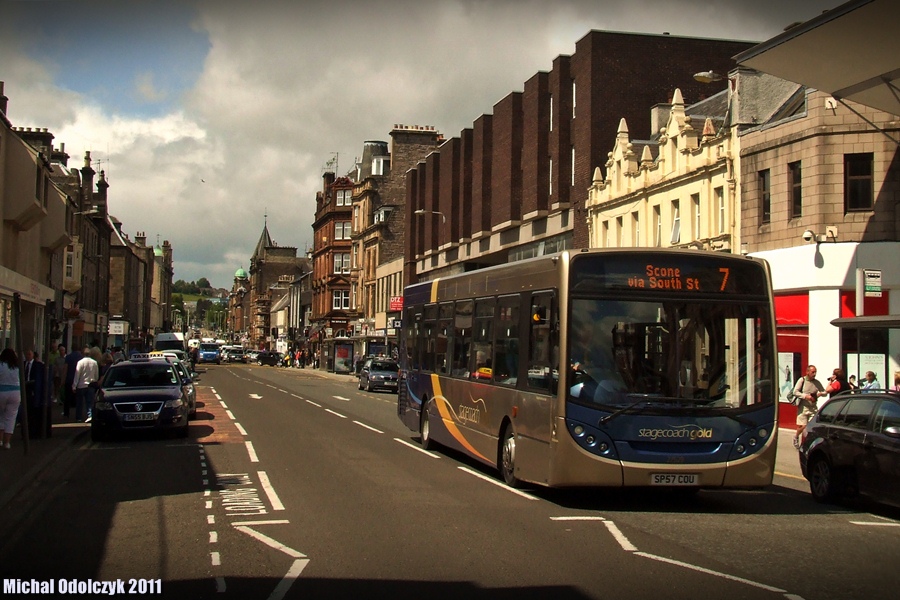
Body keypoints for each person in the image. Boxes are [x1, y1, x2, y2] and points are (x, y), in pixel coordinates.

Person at [790, 364, 825, 450]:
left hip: (813, 408)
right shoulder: (802, 380)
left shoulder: (817, 382)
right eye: (813, 372)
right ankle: (796, 436)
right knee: (803, 426)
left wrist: (819, 394)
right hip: (803, 407)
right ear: (807, 372)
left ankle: (806, 443)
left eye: (815, 372)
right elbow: (795, 392)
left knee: (812, 426)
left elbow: (824, 392)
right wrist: (806, 396)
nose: (814, 374)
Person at [0, 348, 22, 449]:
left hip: (2, 391)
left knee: (1, 416)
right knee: (11, 418)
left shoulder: (1, 365)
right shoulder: (16, 366)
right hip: (15, 392)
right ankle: (7, 443)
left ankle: (0, 440)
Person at [24, 350, 48, 438]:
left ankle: (33, 432)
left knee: (33, 411)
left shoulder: (38, 365)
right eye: (26, 354)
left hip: (34, 391)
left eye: (29, 354)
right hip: (25, 391)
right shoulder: (23, 364)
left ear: (33, 355)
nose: (27, 356)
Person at [73, 347, 100, 423]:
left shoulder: (80, 362)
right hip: (91, 385)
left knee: (79, 403)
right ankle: (90, 416)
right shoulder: (94, 362)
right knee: (90, 402)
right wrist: (95, 381)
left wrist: (74, 385)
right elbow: (96, 375)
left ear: (82, 354)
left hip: (81, 385)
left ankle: (79, 417)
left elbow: (77, 374)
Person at [62, 346, 82, 419]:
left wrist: (63, 380)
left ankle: (66, 413)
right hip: (79, 380)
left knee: (67, 397)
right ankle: (78, 415)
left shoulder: (68, 357)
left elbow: (65, 369)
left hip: (69, 379)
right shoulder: (81, 357)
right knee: (78, 398)